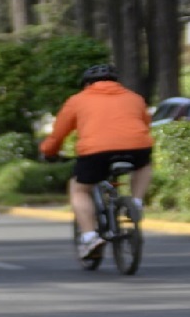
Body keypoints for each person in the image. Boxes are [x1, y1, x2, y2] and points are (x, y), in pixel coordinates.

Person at [40, 64, 153, 259]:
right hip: (137, 147)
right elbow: (145, 124)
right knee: (144, 164)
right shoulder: (134, 97)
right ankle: (136, 201)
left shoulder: (77, 100)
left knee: (79, 189)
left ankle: (90, 237)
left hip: (96, 152)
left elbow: (58, 135)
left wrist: (48, 152)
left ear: (86, 84)